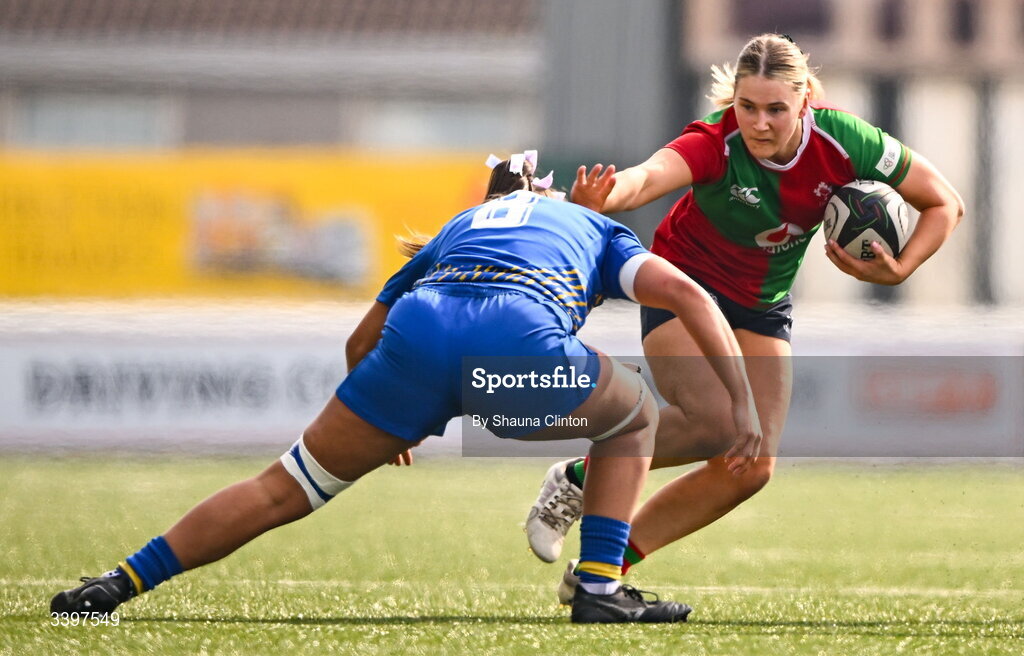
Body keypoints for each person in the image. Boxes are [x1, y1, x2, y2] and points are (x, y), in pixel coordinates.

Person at [50, 150, 763, 625]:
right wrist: (743, 403)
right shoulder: (588, 225)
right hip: (511, 345)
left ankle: (118, 583)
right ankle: (601, 589)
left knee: (282, 487)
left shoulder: (456, 229)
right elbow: (693, 299)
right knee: (634, 410)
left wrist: (393, 417)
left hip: (416, 342)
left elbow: (361, 342)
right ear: (543, 192)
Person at [523, 33, 965, 602]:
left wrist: (901, 268)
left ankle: (602, 561)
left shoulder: (845, 139)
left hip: (761, 306)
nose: (759, 123)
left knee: (750, 466)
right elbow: (648, 178)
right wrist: (604, 197)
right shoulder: (714, 140)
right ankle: (587, 483)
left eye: (776, 109)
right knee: (717, 425)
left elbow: (944, 202)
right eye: (747, 106)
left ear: (804, 102)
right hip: (684, 289)